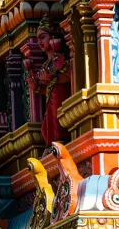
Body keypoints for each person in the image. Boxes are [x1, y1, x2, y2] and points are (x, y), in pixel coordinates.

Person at [33, 15, 71, 145]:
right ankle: (52, 144)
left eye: (43, 37)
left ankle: (58, 143)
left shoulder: (61, 58)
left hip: (61, 96)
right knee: (45, 127)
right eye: (38, 39)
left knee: (58, 122)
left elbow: (70, 77)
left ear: (53, 37)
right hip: (51, 100)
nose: (39, 42)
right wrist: (35, 86)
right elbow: (46, 87)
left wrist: (51, 78)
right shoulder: (46, 64)